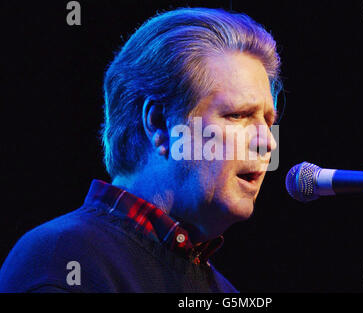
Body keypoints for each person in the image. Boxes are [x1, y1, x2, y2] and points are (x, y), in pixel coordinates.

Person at [0, 7, 282, 292]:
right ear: (159, 124)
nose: (267, 142)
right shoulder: (64, 260)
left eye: (269, 122)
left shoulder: (224, 290)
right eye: (237, 115)